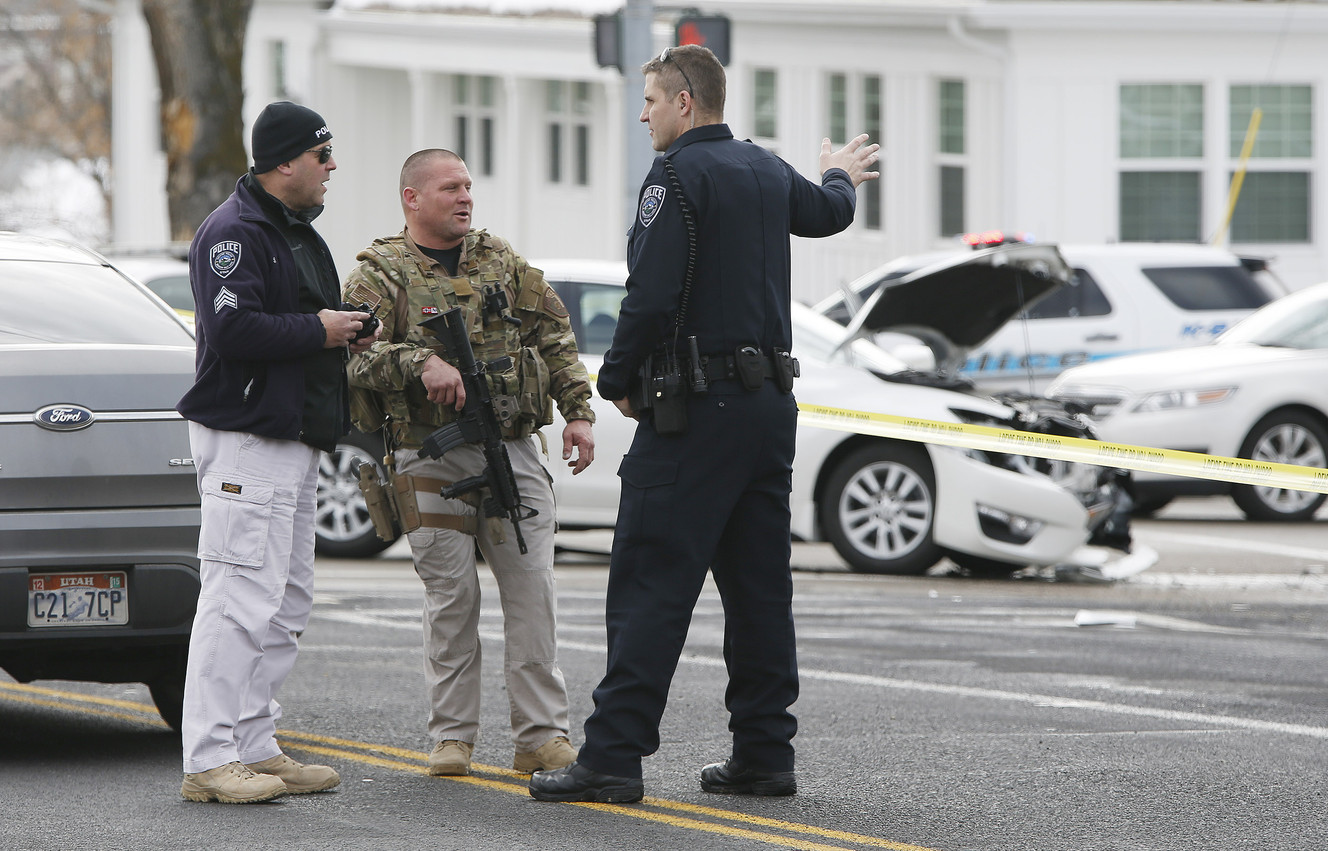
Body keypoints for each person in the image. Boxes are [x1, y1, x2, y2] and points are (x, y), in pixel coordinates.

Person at [529, 45, 878, 803]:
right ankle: (763, 754)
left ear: (686, 102)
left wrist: (616, 380)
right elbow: (829, 213)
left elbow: (649, 294)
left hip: (696, 415)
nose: (645, 113)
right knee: (759, 589)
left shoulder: (678, 176)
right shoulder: (763, 167)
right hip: (767, 411)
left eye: (651, 99)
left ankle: (613, 758)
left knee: (650, 580)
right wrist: (838, 171)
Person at [343, 148, 596, 778]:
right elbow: (352, 356)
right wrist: (419, 362)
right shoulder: (380, 272)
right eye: (450, 188)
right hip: (427, 452)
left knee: (532, 589)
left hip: (511, 445)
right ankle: (453, 738)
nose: (465, 198)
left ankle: (541, 736)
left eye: (469, 187)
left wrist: (578, 412)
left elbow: (554, 334)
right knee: (452, 597)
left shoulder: (500, 260)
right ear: (412, 197)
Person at [176, 101, 377, 804]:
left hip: (293, 438)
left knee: (284, 600)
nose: (331, 168)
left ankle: (254, 743)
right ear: (285, 161)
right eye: (322, 155)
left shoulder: (295, 232)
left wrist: (343, 331)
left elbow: (298, 324)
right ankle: (209, 755)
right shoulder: (234, 231)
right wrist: (319, 330)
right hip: (247, 436)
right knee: (236, 599)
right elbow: (234, 331)